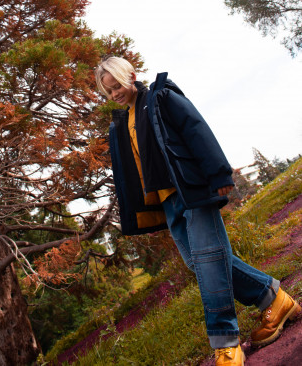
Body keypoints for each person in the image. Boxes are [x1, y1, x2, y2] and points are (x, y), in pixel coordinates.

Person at [94, 56, 301, 366]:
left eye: (117, 86)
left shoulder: (160, 97)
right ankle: (272, 299)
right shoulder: (124, 121)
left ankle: (226, 343)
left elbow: (195, 129)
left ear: (132, 76)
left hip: (192, 189)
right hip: (168, 202)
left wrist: (219, 174)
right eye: (108, 91)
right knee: (200, 262)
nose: (114, 94)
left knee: (208, 263)